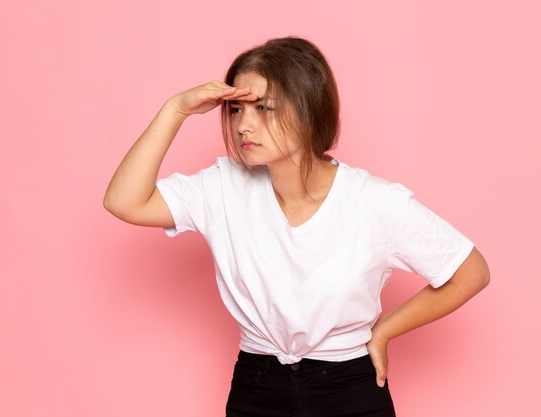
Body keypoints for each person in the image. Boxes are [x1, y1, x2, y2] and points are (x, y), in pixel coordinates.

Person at [103, 36, 490, 417]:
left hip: (348, 386)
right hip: (256, 385)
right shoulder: (222, 187)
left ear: (308, 110)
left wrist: (384, 330)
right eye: (236, 110)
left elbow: (470, 272)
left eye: (265, 108)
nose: (243, 126)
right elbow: (124, 201)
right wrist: (175, 110)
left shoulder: (375, 202)